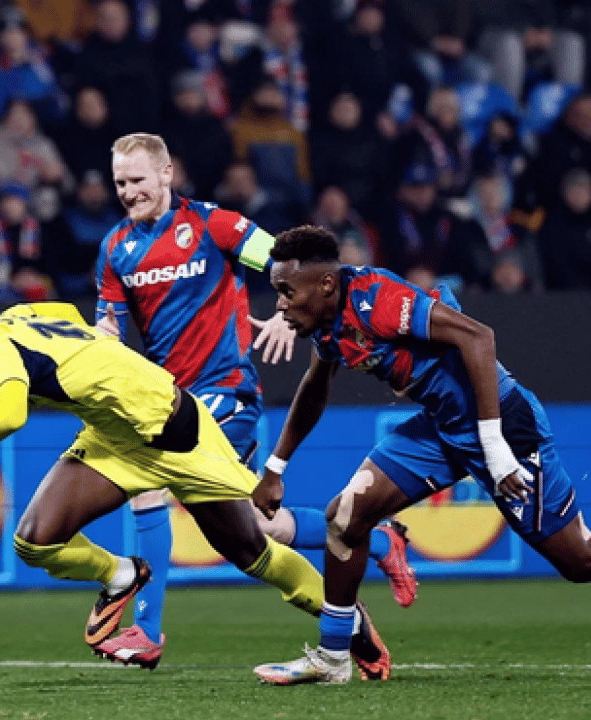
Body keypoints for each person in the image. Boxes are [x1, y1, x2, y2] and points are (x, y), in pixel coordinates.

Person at [251, 226, 591, 686]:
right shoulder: (328, 324)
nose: (280, 304)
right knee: (346, 516)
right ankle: (333, 659)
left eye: (287, 291)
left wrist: (496, 447)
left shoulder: (377, 300)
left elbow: (479, 338)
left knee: (583, 561)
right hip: (442, 427)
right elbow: (314, 388)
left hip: (502, 425)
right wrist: (275, 468)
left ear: (325, 284)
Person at [0, 303, 391, 680]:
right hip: (112, 437)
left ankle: (347, 623)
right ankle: (123, 574)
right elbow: (63, 313)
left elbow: (11, 411)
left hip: (176, 432)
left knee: (252, 548)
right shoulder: (4, 320)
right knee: (34, 540)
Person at [92, 134, 416, 670]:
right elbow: (110, 323)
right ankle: (378, 543)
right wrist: (100, 342)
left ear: (166, 173)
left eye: (138, 181)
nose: (128, 192)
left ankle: (146, 633)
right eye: (120, 183)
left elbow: (286, 265)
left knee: (147, 487)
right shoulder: (115, 248)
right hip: (166, 399)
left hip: (225, 391)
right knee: (258, 527)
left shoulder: (212, 224)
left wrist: (288, 315)